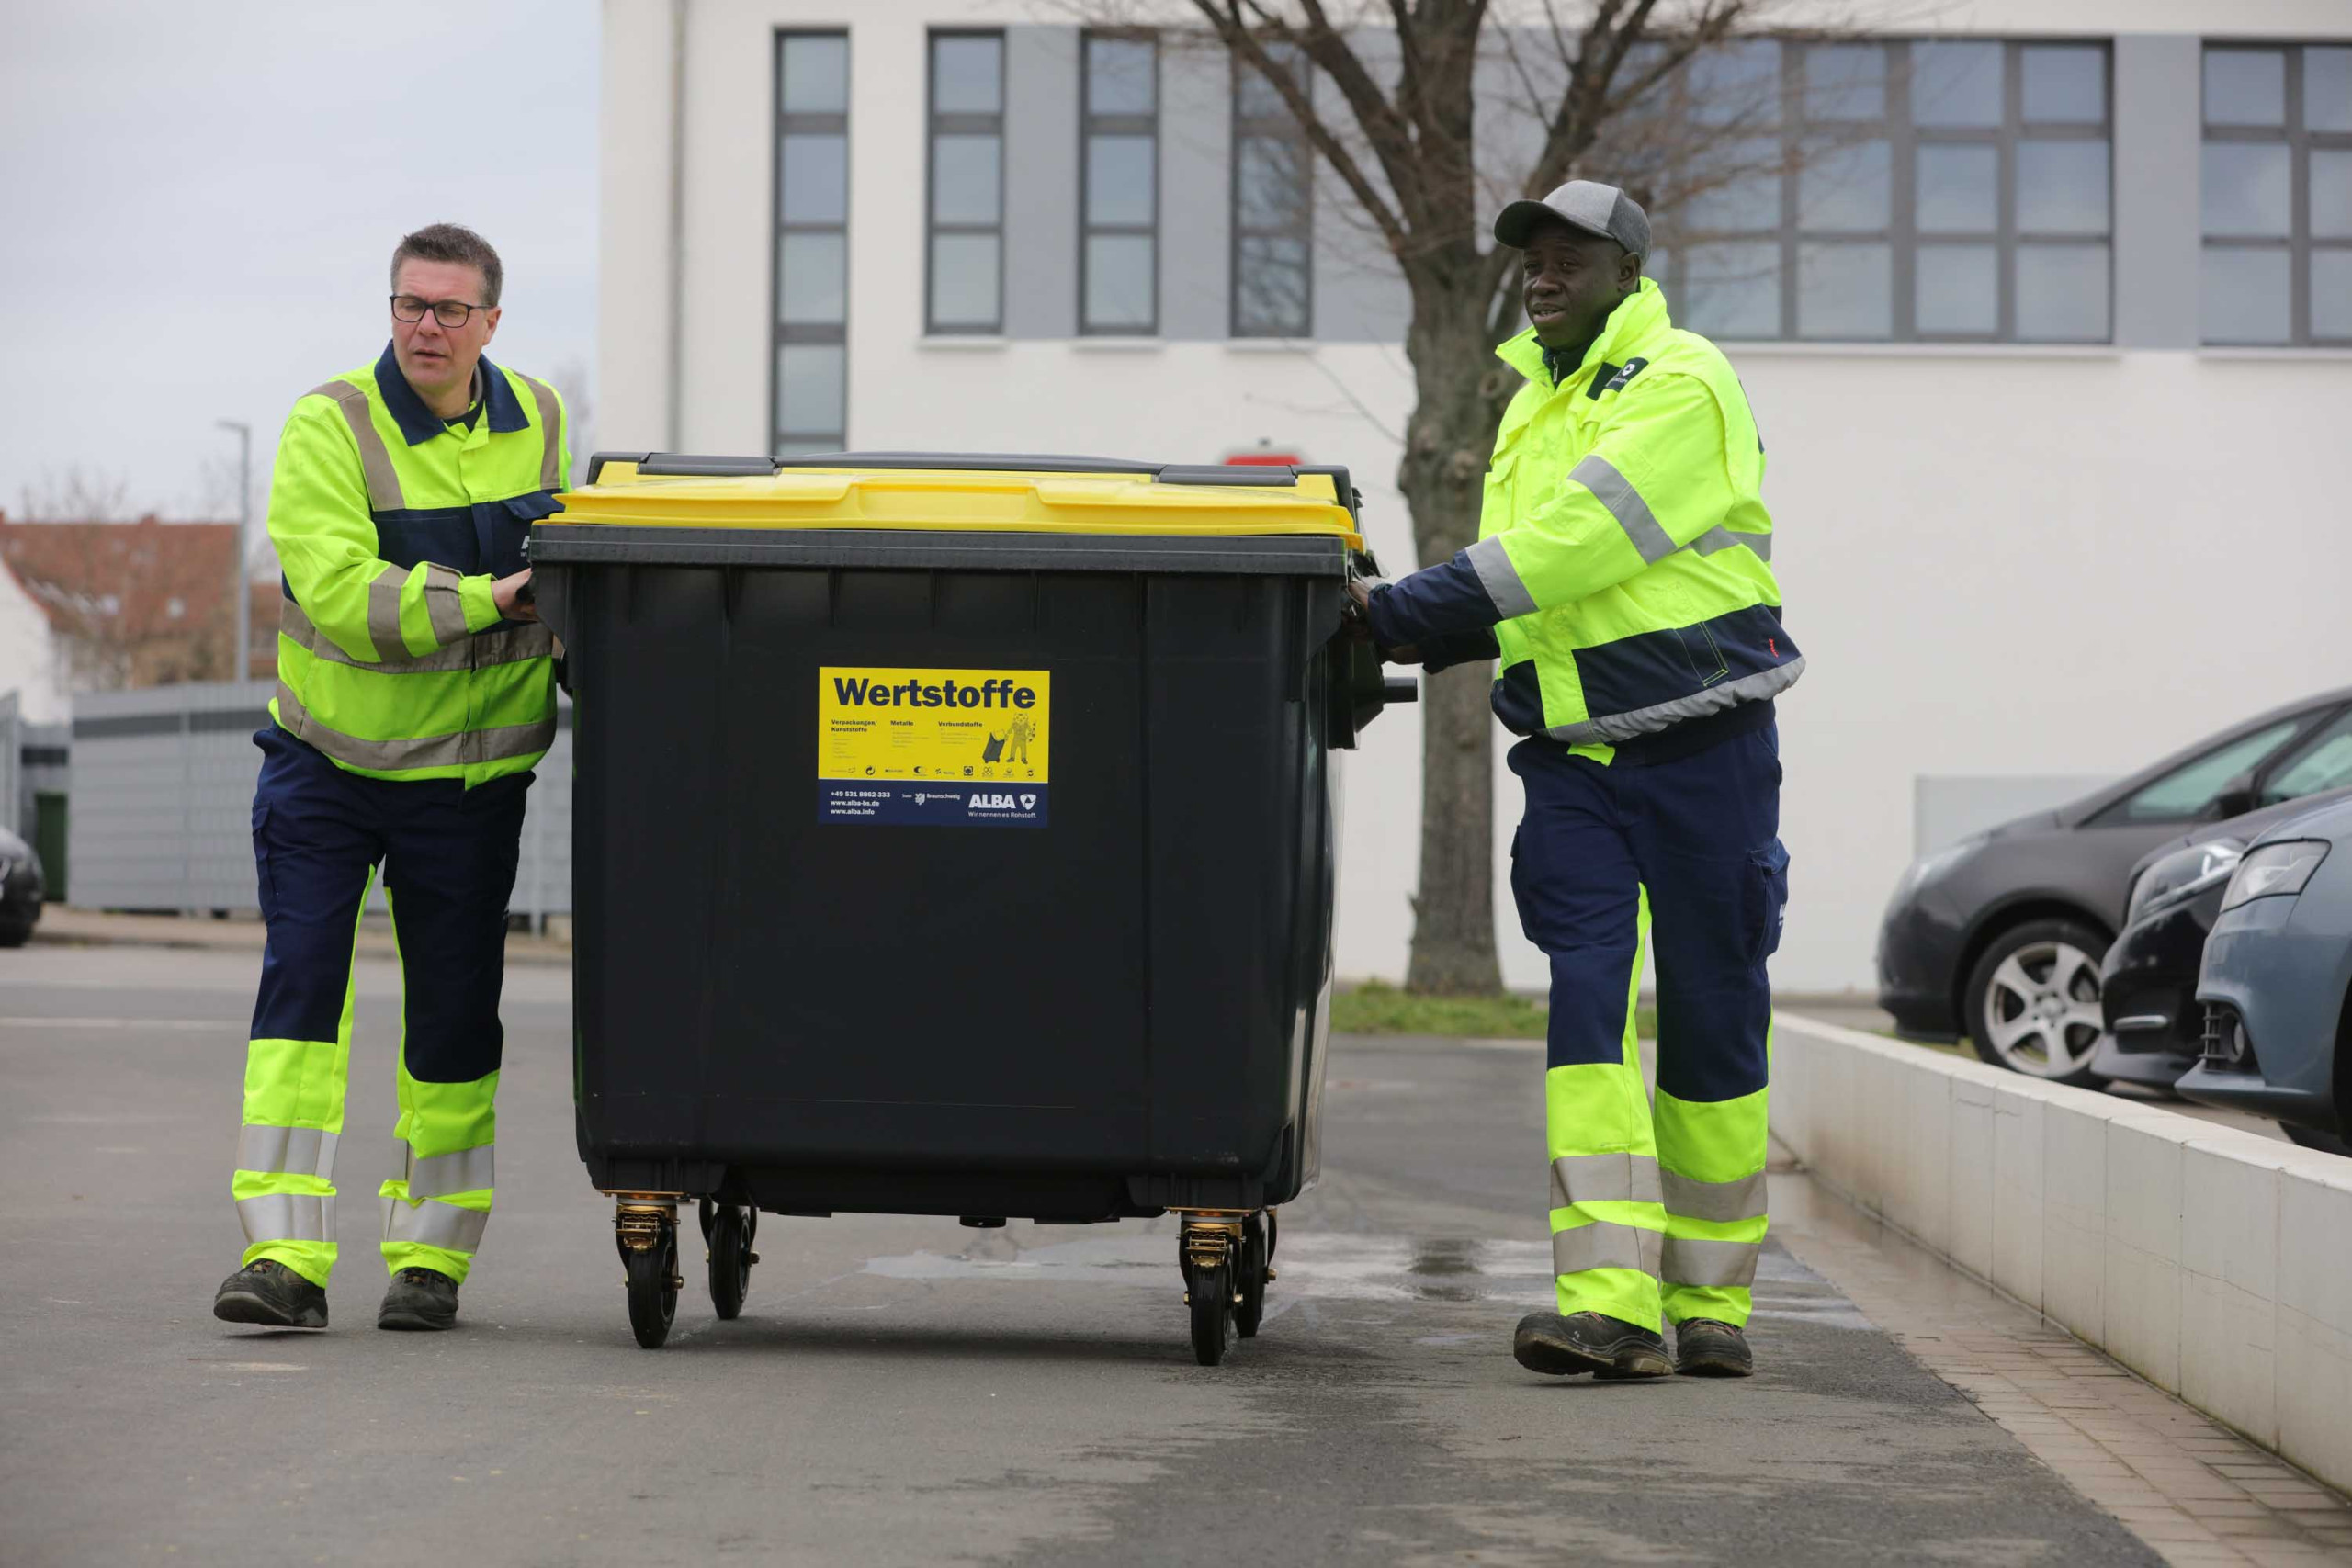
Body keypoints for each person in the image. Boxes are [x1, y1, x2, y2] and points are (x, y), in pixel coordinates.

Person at [1352, 181, 1801, 1380]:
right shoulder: (1530, 406)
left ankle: (1712, 1298)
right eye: (1532, 262)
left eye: (1569, 259)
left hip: (1701, 742)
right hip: (1573, 762)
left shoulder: (1680, 381)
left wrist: (1400, 612)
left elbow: (1575, 546)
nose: (1542, 278)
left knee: (1712, 1007)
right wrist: (1401, 631)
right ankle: (1611, 1302)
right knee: (1587, 1009)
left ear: (1627, 273)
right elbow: (1538, 602)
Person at [211, 223, 568, 1333]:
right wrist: (490, 599)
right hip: (329, 766)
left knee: (457, 1019)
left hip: (469, 787)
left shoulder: (543, 417)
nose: (425, 325)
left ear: (491, 324)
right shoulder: (331, 425)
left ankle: (431, 1261)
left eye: (449, 309)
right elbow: (341, 595)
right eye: (409, 304)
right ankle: (283, 1259)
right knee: (304, 988)